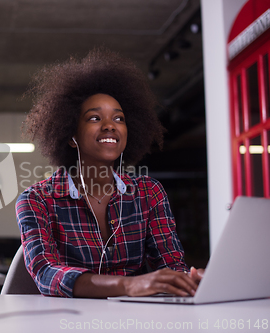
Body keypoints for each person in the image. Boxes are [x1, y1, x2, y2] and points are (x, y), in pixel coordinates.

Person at [16, 48, 203, 298]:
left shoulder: (149, 193)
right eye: (94, 118)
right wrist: (127, 285)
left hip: (133, 320)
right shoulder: (36, 200)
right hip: (66, 321)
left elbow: (170, 265)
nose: (109, 126)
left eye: (119, 118)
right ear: (71, 135)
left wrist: (187, 279)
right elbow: (46, 273)